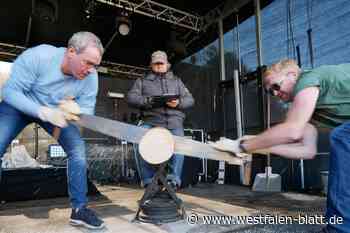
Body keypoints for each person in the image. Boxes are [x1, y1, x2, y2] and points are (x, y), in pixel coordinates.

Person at [211, 59, 350, 233]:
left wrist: (243, 146)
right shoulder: (310, 107)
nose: (275, 93)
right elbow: (307, 150)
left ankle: (340, 229)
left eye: (276, 86)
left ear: (292, 75)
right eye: (270, 92)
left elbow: (291, 130)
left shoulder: (307, 80)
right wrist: (261, 147)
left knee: (342, 137)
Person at [0, 31, 105, 229]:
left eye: (95, 65)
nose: (91, 70)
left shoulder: (91, 77)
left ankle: (79, 210)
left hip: (57, 113)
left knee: (78, 152)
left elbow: (87, 109)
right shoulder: (39, 56)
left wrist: (76, 112)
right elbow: (10, 91)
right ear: (71, 52)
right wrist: (42, 112)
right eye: (88, 63)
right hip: (20, 105)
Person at [127, 50, 194, 190]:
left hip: (174, 122)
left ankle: (174, 180)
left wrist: (178, 103)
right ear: (151, 65)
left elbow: (190, 100)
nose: (158, 66)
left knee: (179, 145)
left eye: (161, 63)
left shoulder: (177, 81)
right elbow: (131, 98)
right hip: (151, 122)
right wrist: (148, 101)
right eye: (155, 63)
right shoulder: (142, 81)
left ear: (167, 65)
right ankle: (148, 180)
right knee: (139, 140)